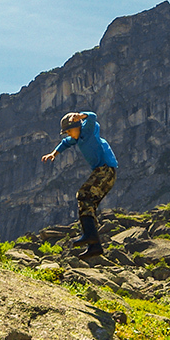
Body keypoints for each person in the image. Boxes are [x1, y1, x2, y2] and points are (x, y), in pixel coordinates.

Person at [41, 111, 119, 259]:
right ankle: (94, 245)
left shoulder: (88, 130)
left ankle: (90, 235)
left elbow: (93, 117)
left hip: (106, 169)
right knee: (87, 203)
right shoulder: (75, 139)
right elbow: (65, 143)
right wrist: (54, 153)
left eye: (70, 131)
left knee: (83, 195)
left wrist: (81, 115)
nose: (69, 134)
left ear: (77, 126)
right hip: (101, 171)